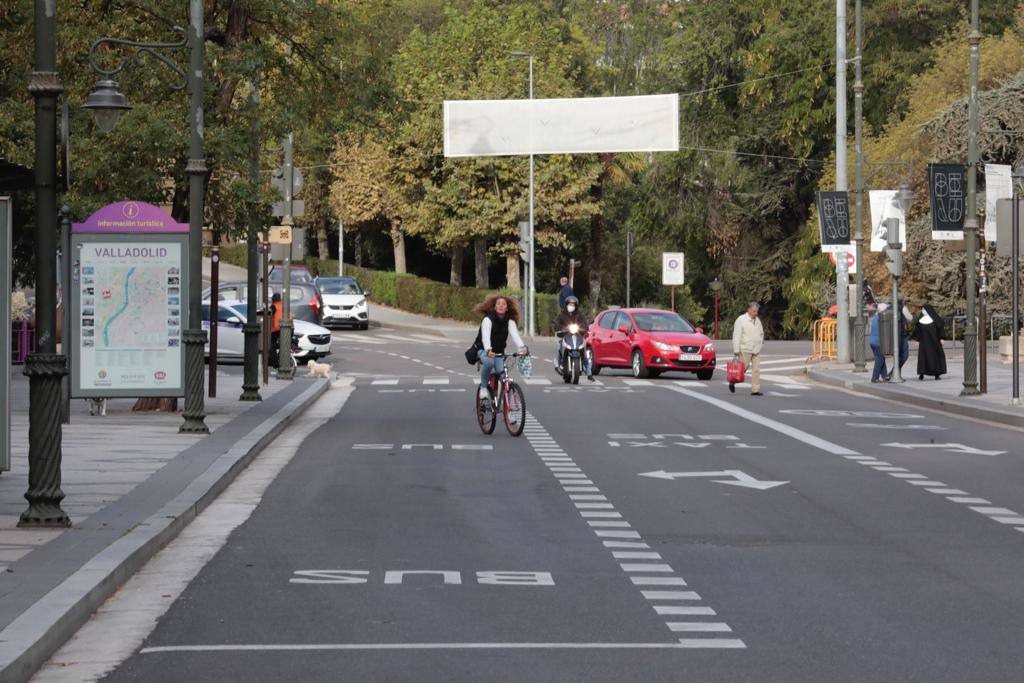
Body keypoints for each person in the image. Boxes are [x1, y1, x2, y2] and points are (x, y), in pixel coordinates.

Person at [473, 294, 529, 400]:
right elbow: (485, 337)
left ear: (507, 308)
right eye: (498, 304)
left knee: (504, 375)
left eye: (504, 304)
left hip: (499, 352)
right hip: (483, 349)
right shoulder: (488, 319)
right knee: (489, 363)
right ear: (494, 307)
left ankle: (503, 399)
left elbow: (515, 336)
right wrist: (488, 350)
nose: (501, 306)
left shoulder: (510, 321)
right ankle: (484, 388)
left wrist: (522, 347)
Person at [553, 295, 595, 381]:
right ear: (566, 305)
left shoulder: (579, 315)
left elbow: (584, 323)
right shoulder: (562, 315)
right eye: (569, 304)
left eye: (573, 305)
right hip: (566, 336)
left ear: (576, 306)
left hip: (578, 336)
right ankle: (558, 364)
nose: (571, 306)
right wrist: (559, 328)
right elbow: (556, 323)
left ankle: (589, 373)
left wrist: (585, 329)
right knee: (561, 347)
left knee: (584, 351)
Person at [731, 302, 765, 395]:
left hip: (756, 348)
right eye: (754, 311)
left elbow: (761, 332)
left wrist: (761, 342)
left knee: (756, 369)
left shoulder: (757, 320)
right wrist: (736, 350)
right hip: (745, 348)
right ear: (749, 310)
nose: (756, 313)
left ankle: (755, 390)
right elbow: (736, 335)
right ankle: (733, 381)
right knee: (743, 368)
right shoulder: (741, 319)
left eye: (757, 311)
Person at [913, 304, 947, 380]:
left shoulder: (936, 319)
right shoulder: (920, 320)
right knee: (923, 358)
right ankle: (921, 373)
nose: (923, 311)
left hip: (934, 342)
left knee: (935, 358)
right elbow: (918, 331)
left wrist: (941, 338)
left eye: (924, 309)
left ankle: (936, 374)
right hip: (924, 343)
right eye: (922, 309)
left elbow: (940, 328)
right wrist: (917, 340)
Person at [889, 300, 913, 380]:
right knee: (904, 355)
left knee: (898, 355)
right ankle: (893, 373)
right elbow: (910, 318)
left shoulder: (889, 308)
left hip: (892, 335)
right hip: (902, 335)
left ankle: (894, 373)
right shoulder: (903, 308)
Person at [869, 303, 889, 383]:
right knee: (879, 359)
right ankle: (874, 378)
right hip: (878, 342)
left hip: (872, 341)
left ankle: (885, 376)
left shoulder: (874, 317)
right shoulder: (881, 319)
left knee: (881, 358)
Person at [269, 292, 283, 368]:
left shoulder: (273, 306)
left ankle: (274, 362)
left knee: (271, 344)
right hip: (290, 328)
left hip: (277, 329)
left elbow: (268, 314)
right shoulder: (284, 305)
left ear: (273, 299)